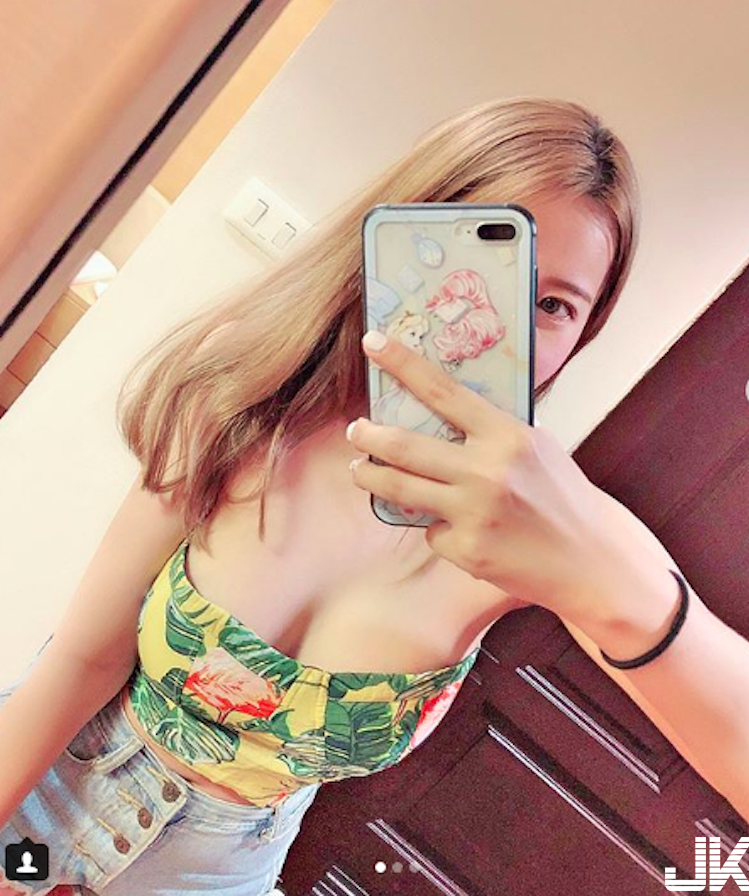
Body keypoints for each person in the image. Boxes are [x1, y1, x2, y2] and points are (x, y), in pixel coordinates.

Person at [0, 94, 697, 896]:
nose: (494, 326)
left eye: (552, 306)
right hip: (48, 783)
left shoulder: (538, 532)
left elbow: (690, 654)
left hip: (216, 875)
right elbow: (81, 661)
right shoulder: (247, 398)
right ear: (394, 246)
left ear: (583, 334)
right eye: (480, 276)